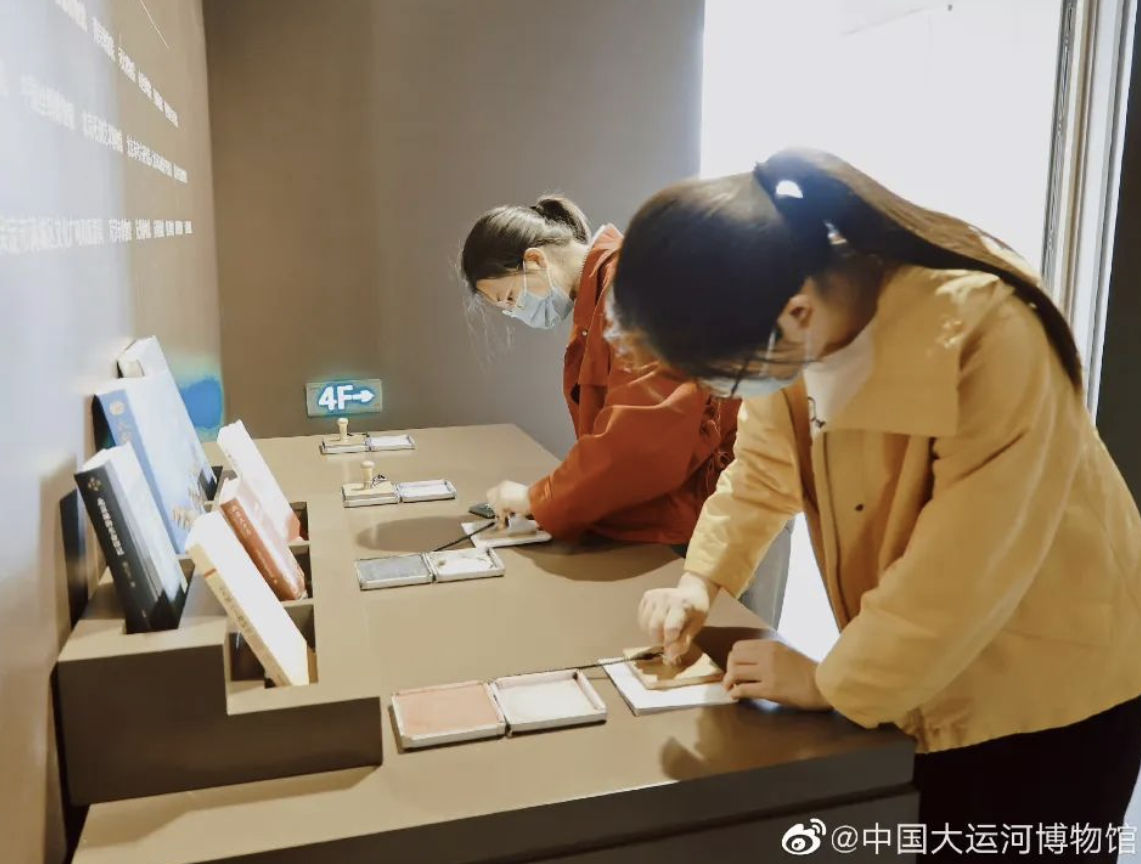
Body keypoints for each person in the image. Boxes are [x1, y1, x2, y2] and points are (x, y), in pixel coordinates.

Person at [614, 148, 1141, 856]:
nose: (735, 392)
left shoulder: (988, 331)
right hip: (929, 667)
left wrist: (829, 683)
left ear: (796, 313)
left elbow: (964, 568)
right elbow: (762, 472)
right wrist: (699, 582)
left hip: (1052, 682)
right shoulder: (795, 326)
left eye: (728, 376)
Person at [459, 195, 790, 624]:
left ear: (536, 260)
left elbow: (642, 436)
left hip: (731, 509)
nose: (514, 312)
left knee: (733, 648)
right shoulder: (603, 295)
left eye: (508, 298)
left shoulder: (636, 288)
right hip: (692, 504)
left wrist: (539, 498)